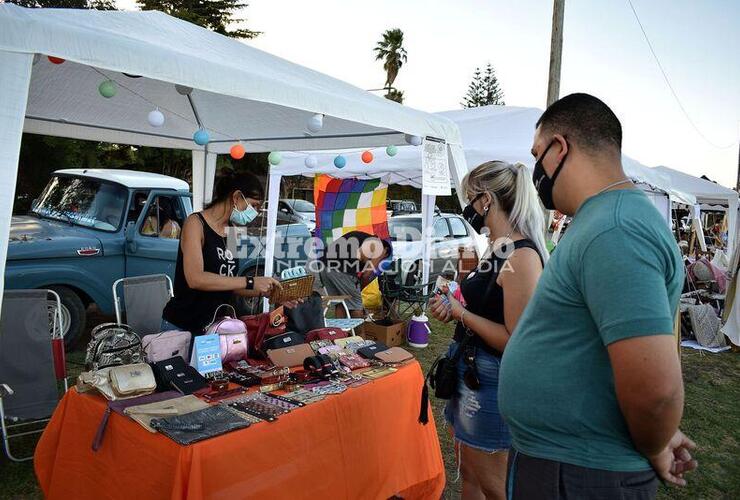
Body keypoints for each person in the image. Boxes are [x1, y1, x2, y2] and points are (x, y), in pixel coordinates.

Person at [499, 93, 697, 499]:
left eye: (538, 154)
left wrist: (654, 441)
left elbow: (656, 392)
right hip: (568, 466)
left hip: (579, 476)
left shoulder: (615, 229)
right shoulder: (602, 220)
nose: (535, 169)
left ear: (560, 148)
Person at [428, 160, 548, 500]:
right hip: (468, 371)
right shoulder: (497, 245)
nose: (467, 208)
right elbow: (470, 301)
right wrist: (450, 305)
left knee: (496, 487)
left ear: (486, 200)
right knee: (469, 472)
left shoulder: (522, 256)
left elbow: (514, 342)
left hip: (491, 382)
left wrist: (460, 313)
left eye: (469, 198)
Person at [161, 173, 282, 335]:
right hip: (183, 326)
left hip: (215, 329)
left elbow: (230, 284)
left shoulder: (232, 231)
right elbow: (195, 278)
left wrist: (267, 291)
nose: (256, 213)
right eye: (254, 205)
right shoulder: (195, 224)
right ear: (237, 197)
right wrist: (251, 281)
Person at [316, 231, 392, 318]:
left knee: (341, 303)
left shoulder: (362, 238)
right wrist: (358, 291)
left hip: (323, 266)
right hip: (341, 269)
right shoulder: (380, 247)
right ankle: (360, 332)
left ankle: (341, 331)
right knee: (356, 304)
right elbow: (366, 275)